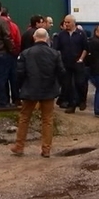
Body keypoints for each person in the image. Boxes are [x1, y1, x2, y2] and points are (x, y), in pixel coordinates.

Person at [10, 28, 66, 158]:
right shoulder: (55, 53)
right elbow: (62, 72)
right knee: (47, 120)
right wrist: (58, 86)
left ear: (34, 38)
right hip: (49, 90)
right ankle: (46, 149)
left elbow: (19, 73)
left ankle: (19, 146)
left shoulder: (26, 53)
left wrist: (19, 89)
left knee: (24, 118)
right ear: (47, 38)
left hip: (30, 90)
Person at [53, 15, 89, 114]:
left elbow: (85, 48)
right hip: (66, 63)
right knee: (68, 85)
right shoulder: (61, 35)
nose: (66, 24)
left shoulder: (81, 34)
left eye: (68, 22)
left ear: (73, 23)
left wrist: (81, 59)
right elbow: (57, 49)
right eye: (65, 22)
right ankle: (71, 105)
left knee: (80, 82)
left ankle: (82, 100)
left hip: (78, 63)